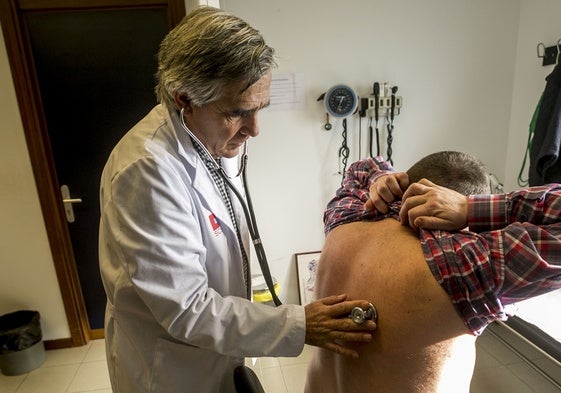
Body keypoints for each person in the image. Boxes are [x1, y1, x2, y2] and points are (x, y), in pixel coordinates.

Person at [98, 6, 375, 393]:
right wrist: (300, 324)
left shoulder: (213, 138)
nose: (255, 130)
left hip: (214, 352)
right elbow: (187, 309)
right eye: (238, 113)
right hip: (171, 371)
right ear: (185, 99)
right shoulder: (146, 172)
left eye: (259, 109)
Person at [305, 151, 561, 393]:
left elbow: (362, 167)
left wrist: (384, 181)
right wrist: (470, 209)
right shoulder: (464, 263)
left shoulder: (349, 212)